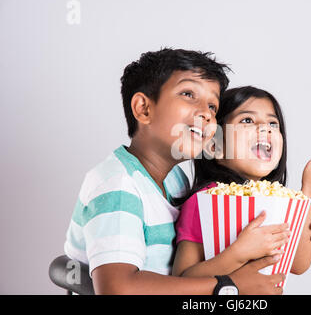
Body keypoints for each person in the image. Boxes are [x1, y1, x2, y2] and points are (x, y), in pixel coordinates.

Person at [63, 49, 286, 294]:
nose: (206, 113)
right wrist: (228, 286)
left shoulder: (175, 180)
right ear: (144, 109)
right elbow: (118, 289)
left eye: (212, 106)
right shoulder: (118, 184)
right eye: (188, 94)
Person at [172, 86, 311, 279]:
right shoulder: (204, 201)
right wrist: (238, 254)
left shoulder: (278, 200)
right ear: (215, 145)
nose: (265, 128)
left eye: (273, 124)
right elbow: (182, 280)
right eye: (247, 120)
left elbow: (298, 264)